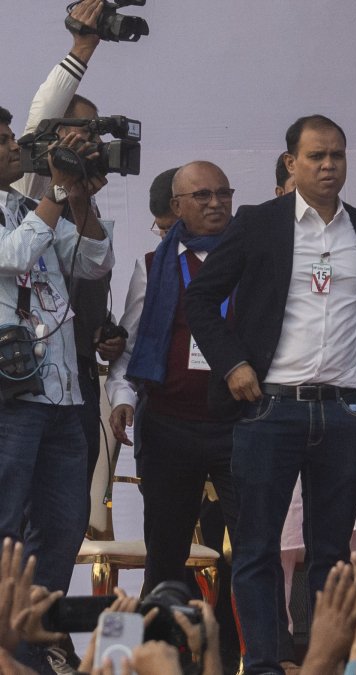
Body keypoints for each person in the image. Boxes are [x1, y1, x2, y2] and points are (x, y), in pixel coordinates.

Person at [184, 114, 356, 675]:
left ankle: (323, 663)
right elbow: (201, 300)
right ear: (291, 163)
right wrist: (232, 364)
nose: (327, 166)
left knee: (332, 556)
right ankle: (266, 664)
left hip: (344, 411)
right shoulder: (258, 224)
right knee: (256, 550)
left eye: (337, 156)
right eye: (316, 156)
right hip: (270, 408)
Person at [0, 105, 114, 670]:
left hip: (65, 398)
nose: (11, 148)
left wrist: (80, 197)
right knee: (4, 530)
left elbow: (92, 263)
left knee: (64, 526)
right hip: (11, 402)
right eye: (0, 141)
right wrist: (58, 188)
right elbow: (16, 254)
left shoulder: (29, 206)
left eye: (9, 138)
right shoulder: (30, 215)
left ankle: (30, 646)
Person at [105, 160, 240, 593]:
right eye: (203, 196)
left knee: (255, 550)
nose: (216, 203)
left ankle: (254, 657)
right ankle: (157, 655)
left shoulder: (254, 258)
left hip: (239, 426)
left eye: (224, 193)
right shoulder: (154, 265)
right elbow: (131, 346)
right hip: (169, 426)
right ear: (177, 206)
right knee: (165, 554)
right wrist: (123, 396)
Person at [14, 0, 125, 486]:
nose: (88, 145)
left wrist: (106, 329)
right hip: (17, 381)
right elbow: (42, 116)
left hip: (72, 381)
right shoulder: (26, 188)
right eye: (78, 134)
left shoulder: (82, 199)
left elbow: (94, 267)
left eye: (94, 136)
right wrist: (83, 47)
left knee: (65, 519)